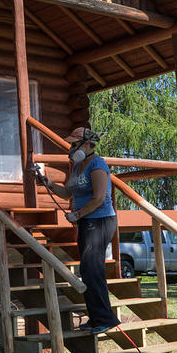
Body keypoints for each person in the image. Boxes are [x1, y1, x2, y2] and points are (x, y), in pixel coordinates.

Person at [36, 126, 120, 335]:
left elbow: (99, 197)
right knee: (88, 270)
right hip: (86, 221)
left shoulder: (98, 165)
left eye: (74, 143)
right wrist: (49, 184)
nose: (71, 147)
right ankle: (96, 318)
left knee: (93, 270)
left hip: (100, 221)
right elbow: (67, 193)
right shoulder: (77, 166)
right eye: (71, 144)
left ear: (88, 144)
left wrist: (77, 215)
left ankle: (105, 319)